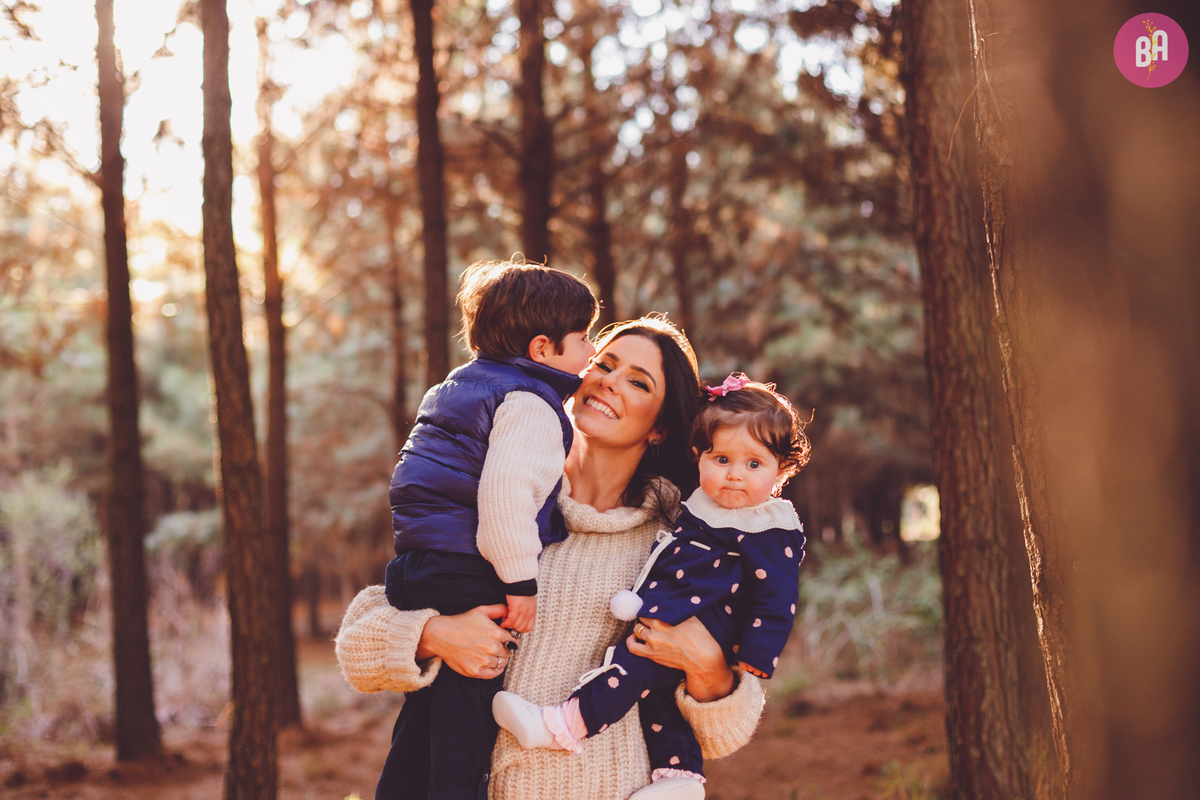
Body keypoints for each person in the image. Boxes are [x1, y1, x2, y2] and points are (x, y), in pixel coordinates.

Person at [336, 317, 766, 800]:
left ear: (661, 426)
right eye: (604, 363)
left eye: (638, 381)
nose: (609, 380)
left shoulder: (679, 542)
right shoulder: (499, 499)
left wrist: (708, 666)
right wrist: (432, 636)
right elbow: (357, 648)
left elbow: (725, 732)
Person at [493, 375, 810, 800]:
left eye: (753, 464)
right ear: (700, 455)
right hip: (497, 783)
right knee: (655, 698)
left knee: (631, 671)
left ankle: (565, 725)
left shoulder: (761, 524)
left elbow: (777, 596)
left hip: (689, 626)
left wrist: (733, 661)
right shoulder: (506, 501)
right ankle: (676, 779)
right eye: (722, 460)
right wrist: (426, 635)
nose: (735, 475)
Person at [380, 260, 598, 799]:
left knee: (424, 719)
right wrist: (520, 583)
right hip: (470, 572)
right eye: (584, 338)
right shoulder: (531, 405)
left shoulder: (455, 388)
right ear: (543, 348)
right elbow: (504, 500)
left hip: (419, 564)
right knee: (465, 726)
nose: (590, 351)